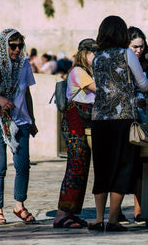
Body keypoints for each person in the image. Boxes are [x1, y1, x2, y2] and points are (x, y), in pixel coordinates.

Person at [89, 15, 148, 232]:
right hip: (123, 117)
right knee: (122, 167)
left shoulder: (97, 57)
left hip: (99, 119)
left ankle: (97, 219)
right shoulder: (127, 54)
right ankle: (113, 219)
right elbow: (142, 83)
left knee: (102, 167)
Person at [0, 29, 38, 224]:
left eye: (20, 45)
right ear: (3, 46)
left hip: (21, 121)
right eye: (13, 46)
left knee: (23, 165)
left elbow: (27, 94)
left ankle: (19, 205)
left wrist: (32, 120)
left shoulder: (24, 66)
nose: (17, 50)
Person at [53, 39, 97, 228]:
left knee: (81, 168)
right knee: (75, 168)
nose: (96, 57)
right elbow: (99, 89)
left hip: (79, 124)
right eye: (94, 53)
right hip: (74, 124)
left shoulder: (85, 72)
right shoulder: (78, 72)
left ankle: (70, 213)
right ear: (85, 53)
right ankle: (61, 215)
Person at [117, 27, 148, 226]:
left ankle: (139, 209)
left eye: (141, 46)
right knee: (123, 164)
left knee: (140, 165)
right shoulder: (122, 62)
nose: (138, 50)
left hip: (143, 118)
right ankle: (117, 209)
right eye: (135, 47)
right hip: (126, 116)